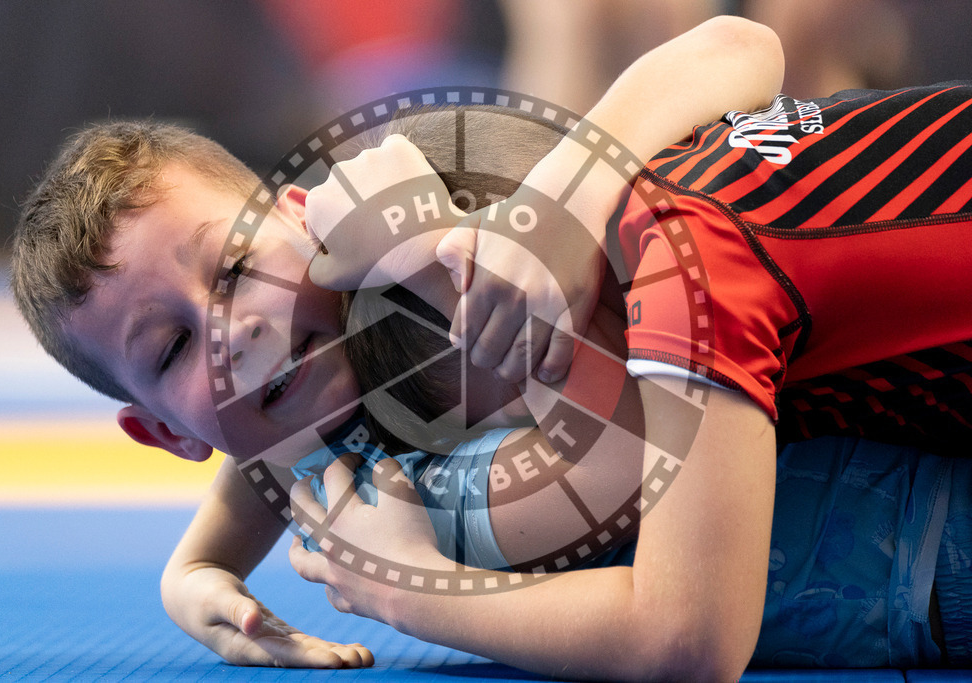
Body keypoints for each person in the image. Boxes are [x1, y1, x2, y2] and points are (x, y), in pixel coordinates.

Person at [8, 15, 787, 672]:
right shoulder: (300, 425)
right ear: (168, 431)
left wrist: (409, 589)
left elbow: (740, 44)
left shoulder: (426, 251)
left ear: (304, 217)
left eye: (239, 266)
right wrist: (191, 577)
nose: (233, 330)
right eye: (174, 349)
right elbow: (263, 465)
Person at [290, 82, 972, 679]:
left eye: (534, 398)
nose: (552, 424)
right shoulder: (675, 157)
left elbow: (690, 639)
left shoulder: (692, 280)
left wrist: (410, 591)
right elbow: (739, 40)